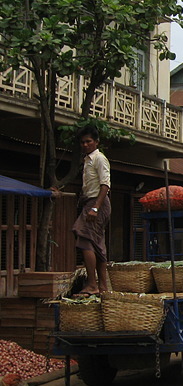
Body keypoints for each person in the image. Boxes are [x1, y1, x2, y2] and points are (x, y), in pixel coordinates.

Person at [72, 126, 111, 295]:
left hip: (97, 203)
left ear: (96, 142)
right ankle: (102, 286)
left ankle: (92, 284)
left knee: (84, 238)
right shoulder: (87, 160)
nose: (85, 144)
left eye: (88, 141)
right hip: (90, 201)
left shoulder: (99, 159)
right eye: (82, 142)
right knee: (96, 243)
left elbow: (105, 185)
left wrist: (95, 207)